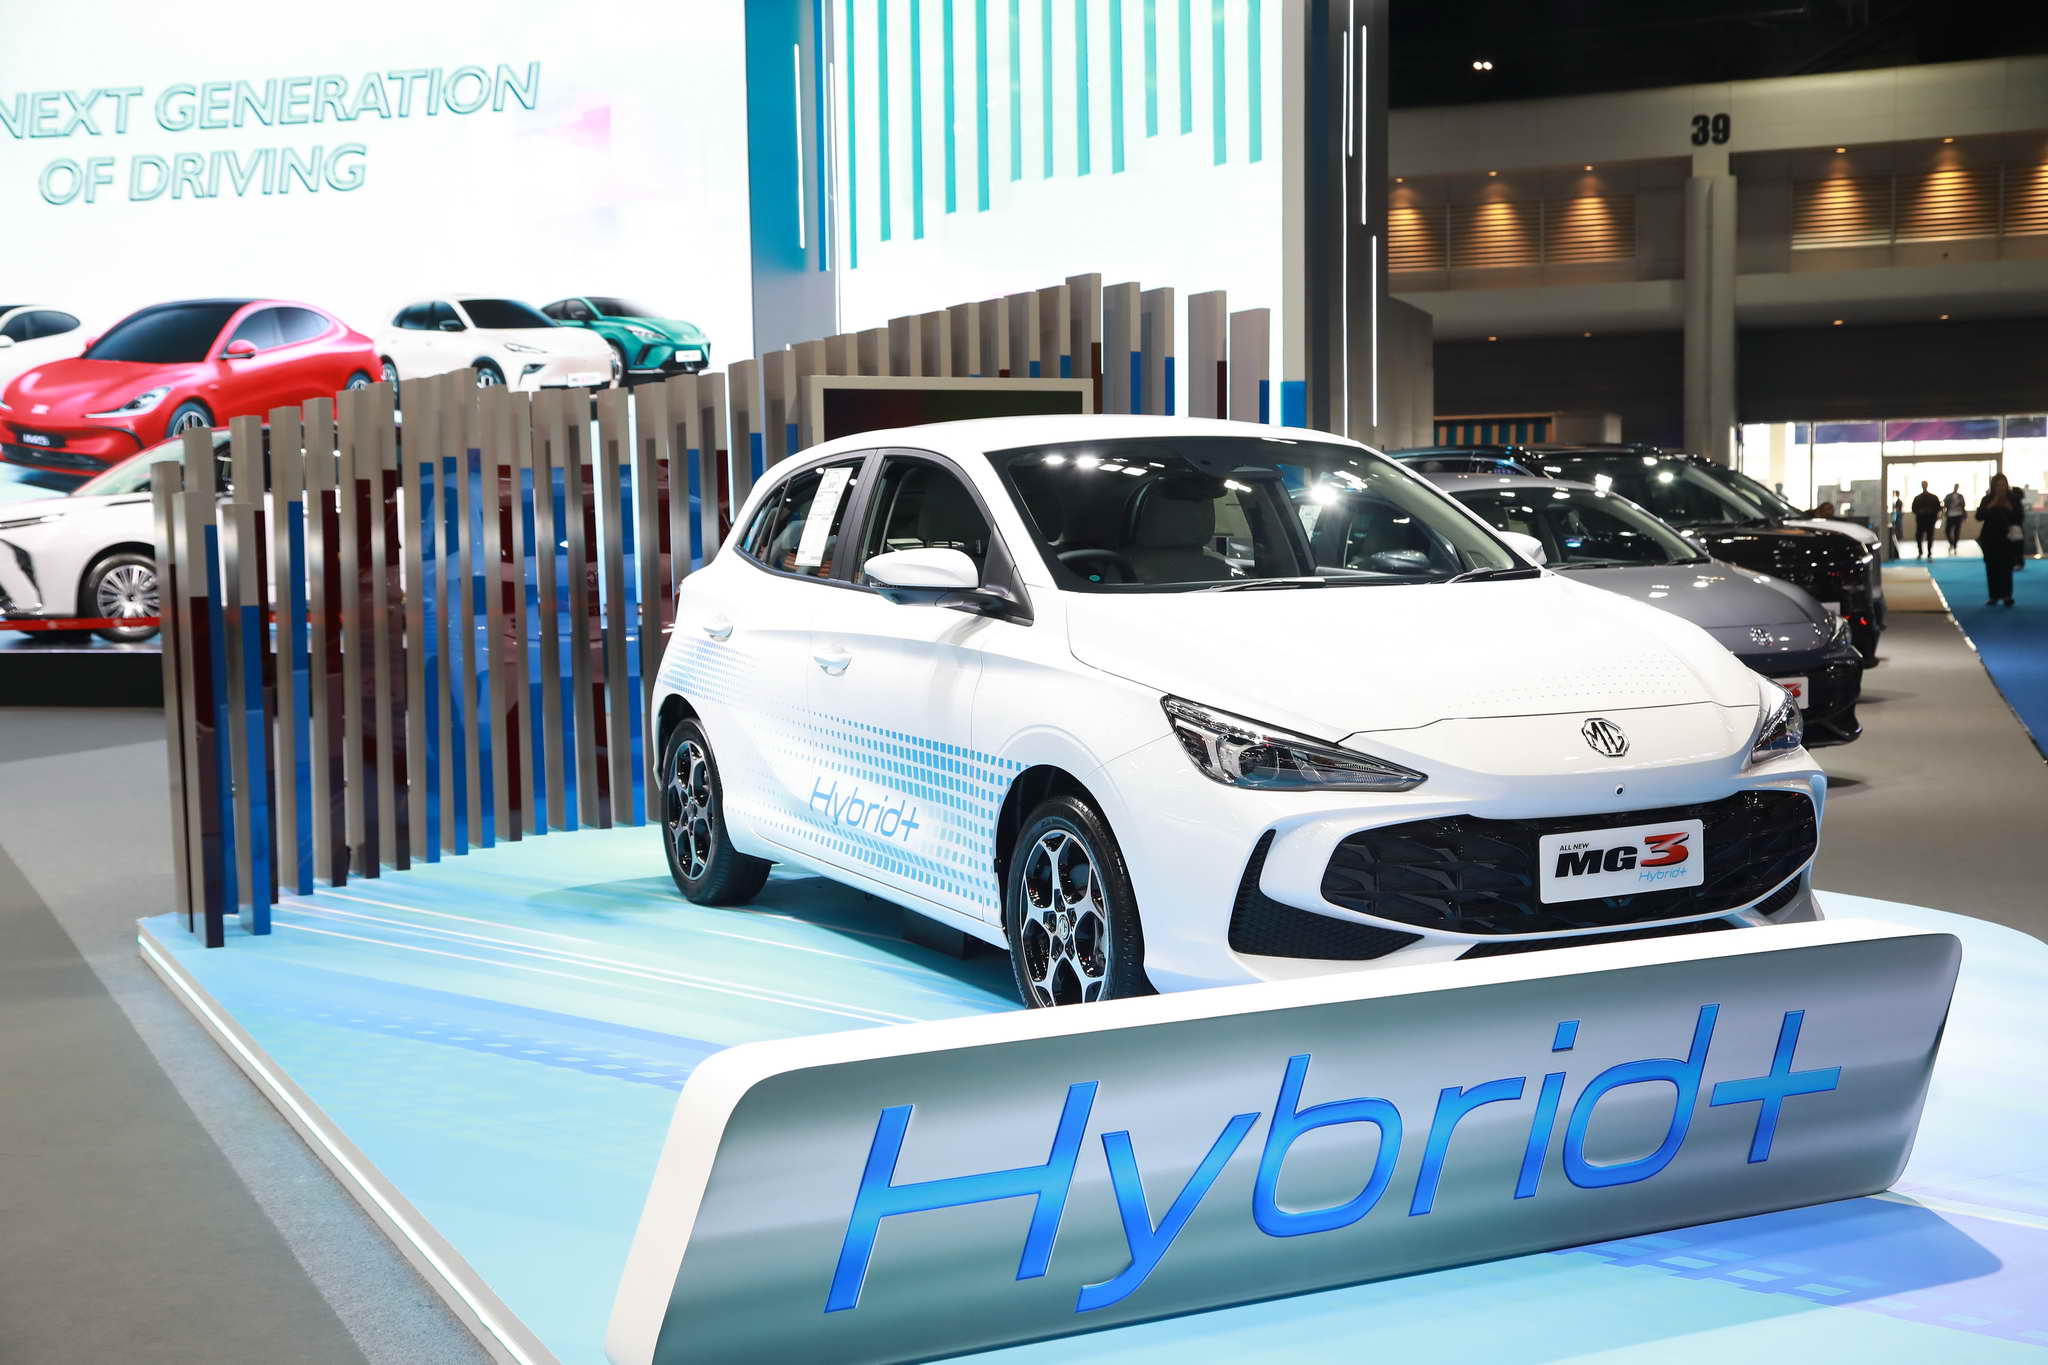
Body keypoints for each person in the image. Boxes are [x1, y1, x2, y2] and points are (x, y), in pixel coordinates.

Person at [1977, 474, 2022, 606]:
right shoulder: (1987, 499)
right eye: (1998, 485)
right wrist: (1991, 505)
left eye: (2003, 485)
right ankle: (1993, 596)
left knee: (2006, 567)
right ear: (1993, 486)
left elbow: (2020, 517)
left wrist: (2009, 508)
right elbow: (1979, 516)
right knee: (1991, 567)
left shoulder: (2013, 499)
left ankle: (2007, 596)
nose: (2001, 488)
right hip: (1989, 537)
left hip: (2008, 537)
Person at [1912, 482, 1941, 558]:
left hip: (1929, 520)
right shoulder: (1918, 498)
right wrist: (1921, 512)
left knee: (1929, 536)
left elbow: (1938, 508)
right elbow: (1914, 509)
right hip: (1922, 520)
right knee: (1920, 536)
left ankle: (1928, 551)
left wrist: (1931, 513)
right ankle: (1921, 551)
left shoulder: (1933, 497)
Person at [1943, 484, 1968, 553]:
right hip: (1950, 515)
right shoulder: (1948, 496)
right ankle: (1951, 543)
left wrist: (1965, 516)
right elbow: (1945, 504)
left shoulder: (1960, 496)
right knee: (1947, 530)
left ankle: (1954, 544)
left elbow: (1963, 506)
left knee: (1957, 531)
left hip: (1958, 515)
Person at [1890, 493, 1905, 560]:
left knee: (1898, 527)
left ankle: (1899, 537)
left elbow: (1898, 509)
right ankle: (1898, 536)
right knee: (1897, 527)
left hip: (1898, 515)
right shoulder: (1897, 501)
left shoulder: (1899, 501)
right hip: (1898, 515)